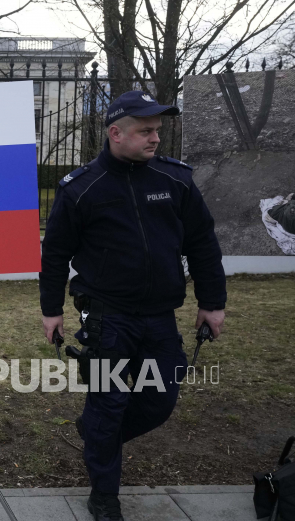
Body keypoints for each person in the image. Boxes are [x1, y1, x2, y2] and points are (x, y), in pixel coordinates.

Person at [39, 91, 227, 521]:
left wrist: (212, 302)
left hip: (160, 318)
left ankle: (96, 435)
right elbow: (55, 255)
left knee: (159, 400)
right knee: (109, 403)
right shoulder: (81, 188)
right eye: (146, 131)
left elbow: (203, 243)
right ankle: (104, 496)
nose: (155, 138)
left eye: (157, 130)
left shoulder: (176, 180)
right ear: (115, 133)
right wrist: (51, 310)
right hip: (107, 318)